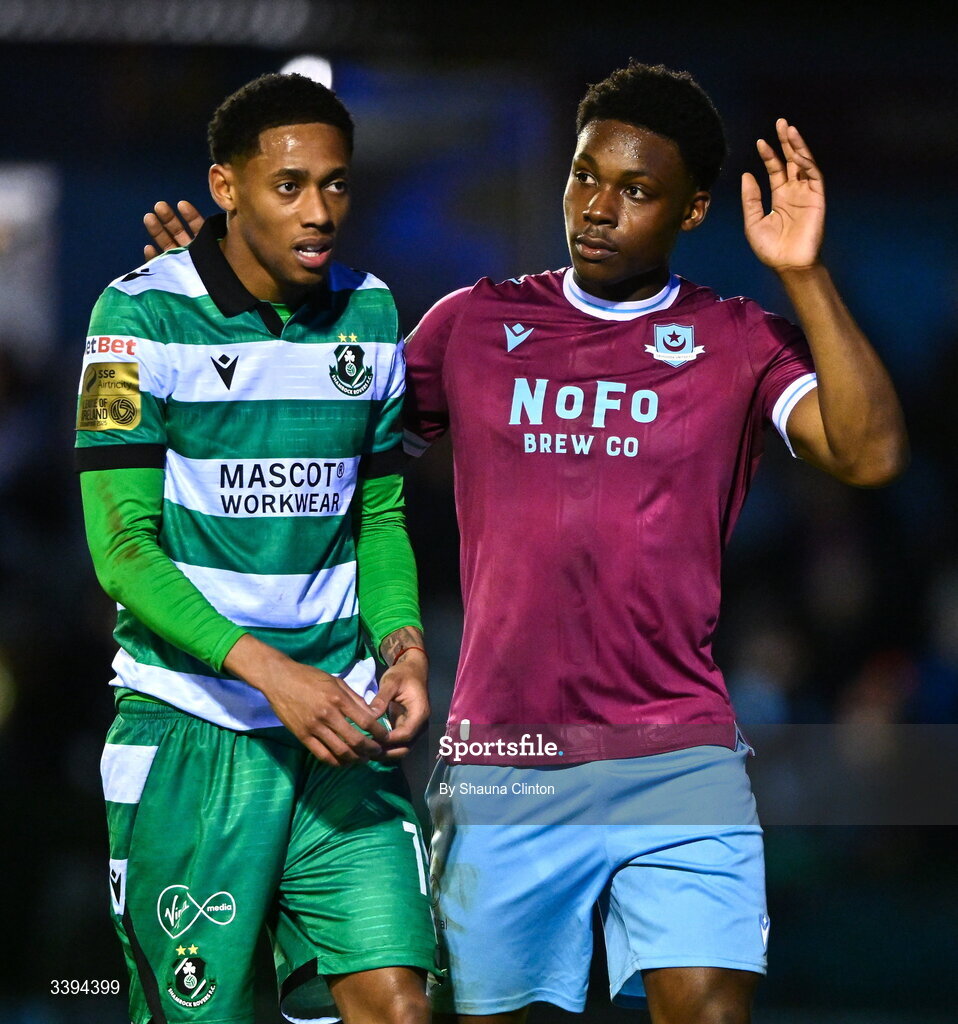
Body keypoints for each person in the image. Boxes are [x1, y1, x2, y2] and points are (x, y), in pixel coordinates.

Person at [143, 61, 908, 1024]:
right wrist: (225, 290)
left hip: (679, 752)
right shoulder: (472, 323)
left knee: (712, 1011)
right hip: (505, 757)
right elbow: (321, 434)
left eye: (636, 192)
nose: (597, 207)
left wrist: (803, 272)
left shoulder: (737, 337)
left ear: (695, 208)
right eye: (586, 175)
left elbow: (872, 453)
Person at [78, 72, 438, 1024]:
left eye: (336, 184)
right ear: (225, 187)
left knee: (399, 1003)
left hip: (340, 733)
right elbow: (121, 548)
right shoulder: (136, 319)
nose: (320, 211)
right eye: (289, 185)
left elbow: (379, 515)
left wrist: (402, 647)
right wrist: (272, 675)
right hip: (191, 732)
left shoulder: (371, 314)